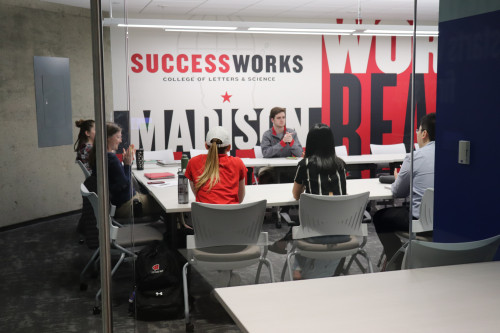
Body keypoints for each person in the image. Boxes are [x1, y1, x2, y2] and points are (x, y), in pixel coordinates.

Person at [373, 113, 436, 270]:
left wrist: (397, 178)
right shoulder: (451, 155)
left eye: (418, 130)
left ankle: (397, 259)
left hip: (418, 222)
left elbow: (397, 192)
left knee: (380, 217)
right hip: (445, 223)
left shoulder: (414, 157)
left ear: (424, 133)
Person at [289, 123, 350, 279]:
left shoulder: (305, 165)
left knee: (297, 227)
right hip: (342, 232)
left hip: (314, 233)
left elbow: (296, 195)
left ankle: (298, 268)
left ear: (310, 143)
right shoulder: (341, 165)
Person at [88, 122, 162, 219]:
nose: (120, 140)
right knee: (165, 203)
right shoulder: (111, 158)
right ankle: (176, 230)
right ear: (107, 138)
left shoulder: (100, 156)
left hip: (118, 204)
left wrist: (125, 164)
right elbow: (125, 186)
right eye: (118, 137)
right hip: (127, 206)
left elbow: (117, 182)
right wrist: (127, 164)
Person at [185, 126, 247, 204]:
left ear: (206, 146)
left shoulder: (193, 163)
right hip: (231, 214)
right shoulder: (238, 163)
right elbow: (240, 198)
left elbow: (197, 195)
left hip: (203, 215)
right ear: (229, 147)